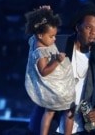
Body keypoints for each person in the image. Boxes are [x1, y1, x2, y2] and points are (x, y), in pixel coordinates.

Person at [28, 2, 95, 135]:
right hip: (52, 124)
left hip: (84, 127)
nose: (93, 32)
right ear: (77, 27)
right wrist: (42, 21)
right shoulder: (59, 44)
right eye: (88, 27)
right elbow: (37, 44)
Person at [24, 7, 76, 135]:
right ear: (40, 35)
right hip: (53, 86)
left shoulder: (37, 39)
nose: (54, 39)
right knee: (69, 109)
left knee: (51, 111)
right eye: (51, 36)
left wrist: (45, 13)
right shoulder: (40, 52)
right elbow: (44, 71)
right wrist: (57, 61)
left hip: (57, 82)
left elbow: (37, 25)